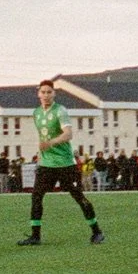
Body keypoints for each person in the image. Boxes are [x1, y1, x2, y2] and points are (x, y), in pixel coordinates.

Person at [18, 80, 104, 246]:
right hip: (46, 164)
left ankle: (97, 232)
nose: (45, 95)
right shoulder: (36, 113)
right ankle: (35, 236)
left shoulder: (60, 111)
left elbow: (68, 134)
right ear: (38, 94)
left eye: (49, 92)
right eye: (43, 92)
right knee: (36, 197)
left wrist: (50, 143)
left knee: (78, 196)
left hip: (65, 163)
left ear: (54, 94)